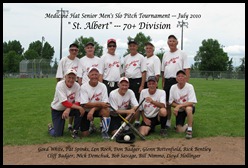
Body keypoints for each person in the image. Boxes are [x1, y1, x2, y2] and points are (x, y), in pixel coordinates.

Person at [161, 35, 190, 128]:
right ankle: (168, 121)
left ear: (177, 42)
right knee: (168, 103)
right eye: (170, 41)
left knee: (180, 101)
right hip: (168, 81)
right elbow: (163, 70)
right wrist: (163, 82)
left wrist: (186, 82)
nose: (171, 43)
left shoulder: (182, 53)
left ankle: (186, 118)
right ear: (167, 43)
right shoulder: (165, 54)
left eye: (173, 41)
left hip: (178, 80)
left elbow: (187, 69)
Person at [48, 68, 85, 139]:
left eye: (73, 78)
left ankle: (75, 131)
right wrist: (74, 107)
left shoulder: (77, 86)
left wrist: (68, 109)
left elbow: (78, 101)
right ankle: (50, 128)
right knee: (57, 134)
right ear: (65, 77)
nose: (71, 80)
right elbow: (64, 102)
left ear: (75, 78)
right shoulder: (60, 85)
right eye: (69, 77)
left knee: (79, 110)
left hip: (69, 108)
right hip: (57, 109)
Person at [77, 42, 103, 133]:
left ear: (94, 48)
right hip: (85, 85)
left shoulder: (99, 60)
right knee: (85, 105)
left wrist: (100, 85)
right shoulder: (81, 60)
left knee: (98, 103)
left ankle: (101, 124)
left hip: (96, 85)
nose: (89, 49)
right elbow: (79, 75)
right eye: (88, 47)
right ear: (85, 49)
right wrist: (79, 86)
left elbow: (100, 74)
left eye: (91, 47)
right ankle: (85, 124)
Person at [55, 43, 80, 133]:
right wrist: (60, 89)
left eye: (76, 50)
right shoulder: (64, 60)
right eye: (72, 49)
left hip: (74, 84)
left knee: (75, 105)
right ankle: (53, 127)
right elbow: (59, 76)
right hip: (64, 85)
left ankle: (71, 125)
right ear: (69, 50)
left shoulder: (78, 61)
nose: (74, 51)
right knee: (58, 133)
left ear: (78, 51)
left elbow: (79, 76)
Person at [79, 67, 111, 139]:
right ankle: (91, 127)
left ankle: (104, 132)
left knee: (106, 110)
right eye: (92, 74)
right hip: (86, 111)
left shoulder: (103, 86)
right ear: (88, 76)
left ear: (99, 75)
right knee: (85, 134)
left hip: (98, 110)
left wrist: (93, 109)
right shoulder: (84, 86)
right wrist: (100, 104)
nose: (94, 76)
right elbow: (84, 104)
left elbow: (105, 104)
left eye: (96, 74)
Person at [123, 39, 147, 128]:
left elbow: (144, 72)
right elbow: (124, 72)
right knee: (128, 101)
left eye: (134, 45)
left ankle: (137, 121)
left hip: (137, 80)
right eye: (131, 45)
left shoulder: (141, 57)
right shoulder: (126, 58)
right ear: (129, 47)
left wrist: (142, 85)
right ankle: (128, 119)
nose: (132, 47)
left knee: (136, 102)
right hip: (128, 81)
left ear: (137, 46)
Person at [169, 70, 197, 139]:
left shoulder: (189, 86)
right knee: (179, 130)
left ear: (185, 78)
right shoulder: (173, 87)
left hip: (188, 108)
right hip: (180, 111)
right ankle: (188, 124)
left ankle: (189, 130)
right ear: (176, 78)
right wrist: (178, 107)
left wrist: (179, 106)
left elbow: (192, 102)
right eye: (178, 76)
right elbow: (171, 102)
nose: (180, 78)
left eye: (182, 76)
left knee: (188, 108)